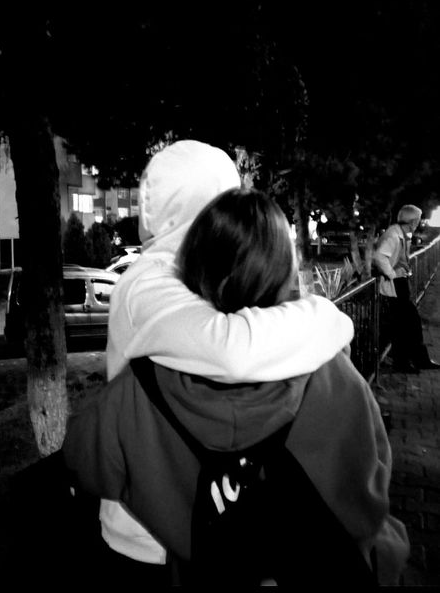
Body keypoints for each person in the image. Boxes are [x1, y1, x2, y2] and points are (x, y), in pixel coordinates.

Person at [64, 186, 409, 586]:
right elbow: (371, 491)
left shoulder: (139, 386)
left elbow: (86, 465)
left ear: (193, 272)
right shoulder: (336, 377)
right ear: (285, 272)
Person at [95, 140, 354, 583]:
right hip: (148, 535)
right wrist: (327, 317)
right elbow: (235, 351)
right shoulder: (147, 283)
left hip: (202, 517)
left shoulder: (199, 265)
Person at [373, 204, 440, 373]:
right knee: (407, 324)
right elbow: (380, 256)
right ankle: (407, 362)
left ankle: (413, 360)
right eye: (417, 219)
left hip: (399, 283)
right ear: (412, 221)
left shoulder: (400, 234)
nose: (418, 223)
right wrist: (392, 274)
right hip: (395, 284)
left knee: (407, 323)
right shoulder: (393, 235)